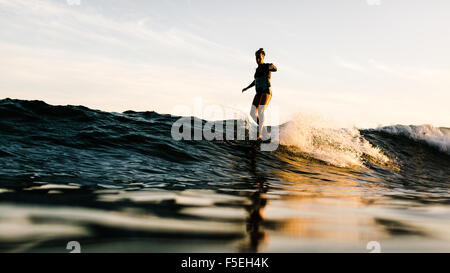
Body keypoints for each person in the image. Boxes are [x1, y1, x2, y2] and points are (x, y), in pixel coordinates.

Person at [242, 48, 277, 140]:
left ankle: (260, 134)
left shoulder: (266, 66)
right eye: (256, 57)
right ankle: (265, 131)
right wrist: (247, 87)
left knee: (261, 111)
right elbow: (256, 81)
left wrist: (271, 66)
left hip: (266, 90)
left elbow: (275, 69)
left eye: (259, 57)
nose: (257, 59)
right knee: (252, 113)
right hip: (258, 92)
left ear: (263, 57)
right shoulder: (257, 69)